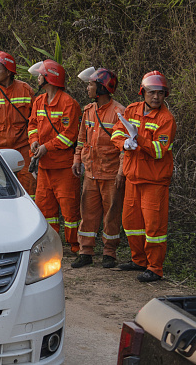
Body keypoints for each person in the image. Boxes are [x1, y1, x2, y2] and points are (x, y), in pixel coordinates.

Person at [111, 71, 177, 282]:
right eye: (151, 92)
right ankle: (138, 260)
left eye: (160, 93)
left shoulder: (166, 120)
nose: (156, 97)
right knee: (131, 223)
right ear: (143, 92)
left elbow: (159, 150)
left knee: (154, 228)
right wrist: (124, 143)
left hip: (154, 181)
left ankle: (155, 268)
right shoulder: (131, 110)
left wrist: (138, 140)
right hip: (133, 178)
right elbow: (117, 131)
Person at [72, 67, 127, 269]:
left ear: (101, 88)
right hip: (91, 172)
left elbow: (124, 147)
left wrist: (121, 171)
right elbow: (81, 139)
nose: (88, 88)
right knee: (87, 213)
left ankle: (109, 253)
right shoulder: (88, 110)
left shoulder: (119, 113)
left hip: (111, 174)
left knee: (111, 214)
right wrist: (77, 159)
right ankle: (85, 251)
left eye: (91, 84)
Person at [27, 60, 82, 253]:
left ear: (49, 78)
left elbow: (69, 136)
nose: (38, 77)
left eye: (41, 74)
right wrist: (34, 141)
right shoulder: (38, 101)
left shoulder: (69, 104)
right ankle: (50, 245)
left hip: (63, 167)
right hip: (44, 167)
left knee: (69, 209)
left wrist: (47, 147)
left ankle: (75, 247)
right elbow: (32, 125)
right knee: (45, 209)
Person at [0, 52, 35, 194]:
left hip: (23, 149)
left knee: (28, 188)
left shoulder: (25, 89)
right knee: (0, 189)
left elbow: (34, 121)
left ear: (8, 71)